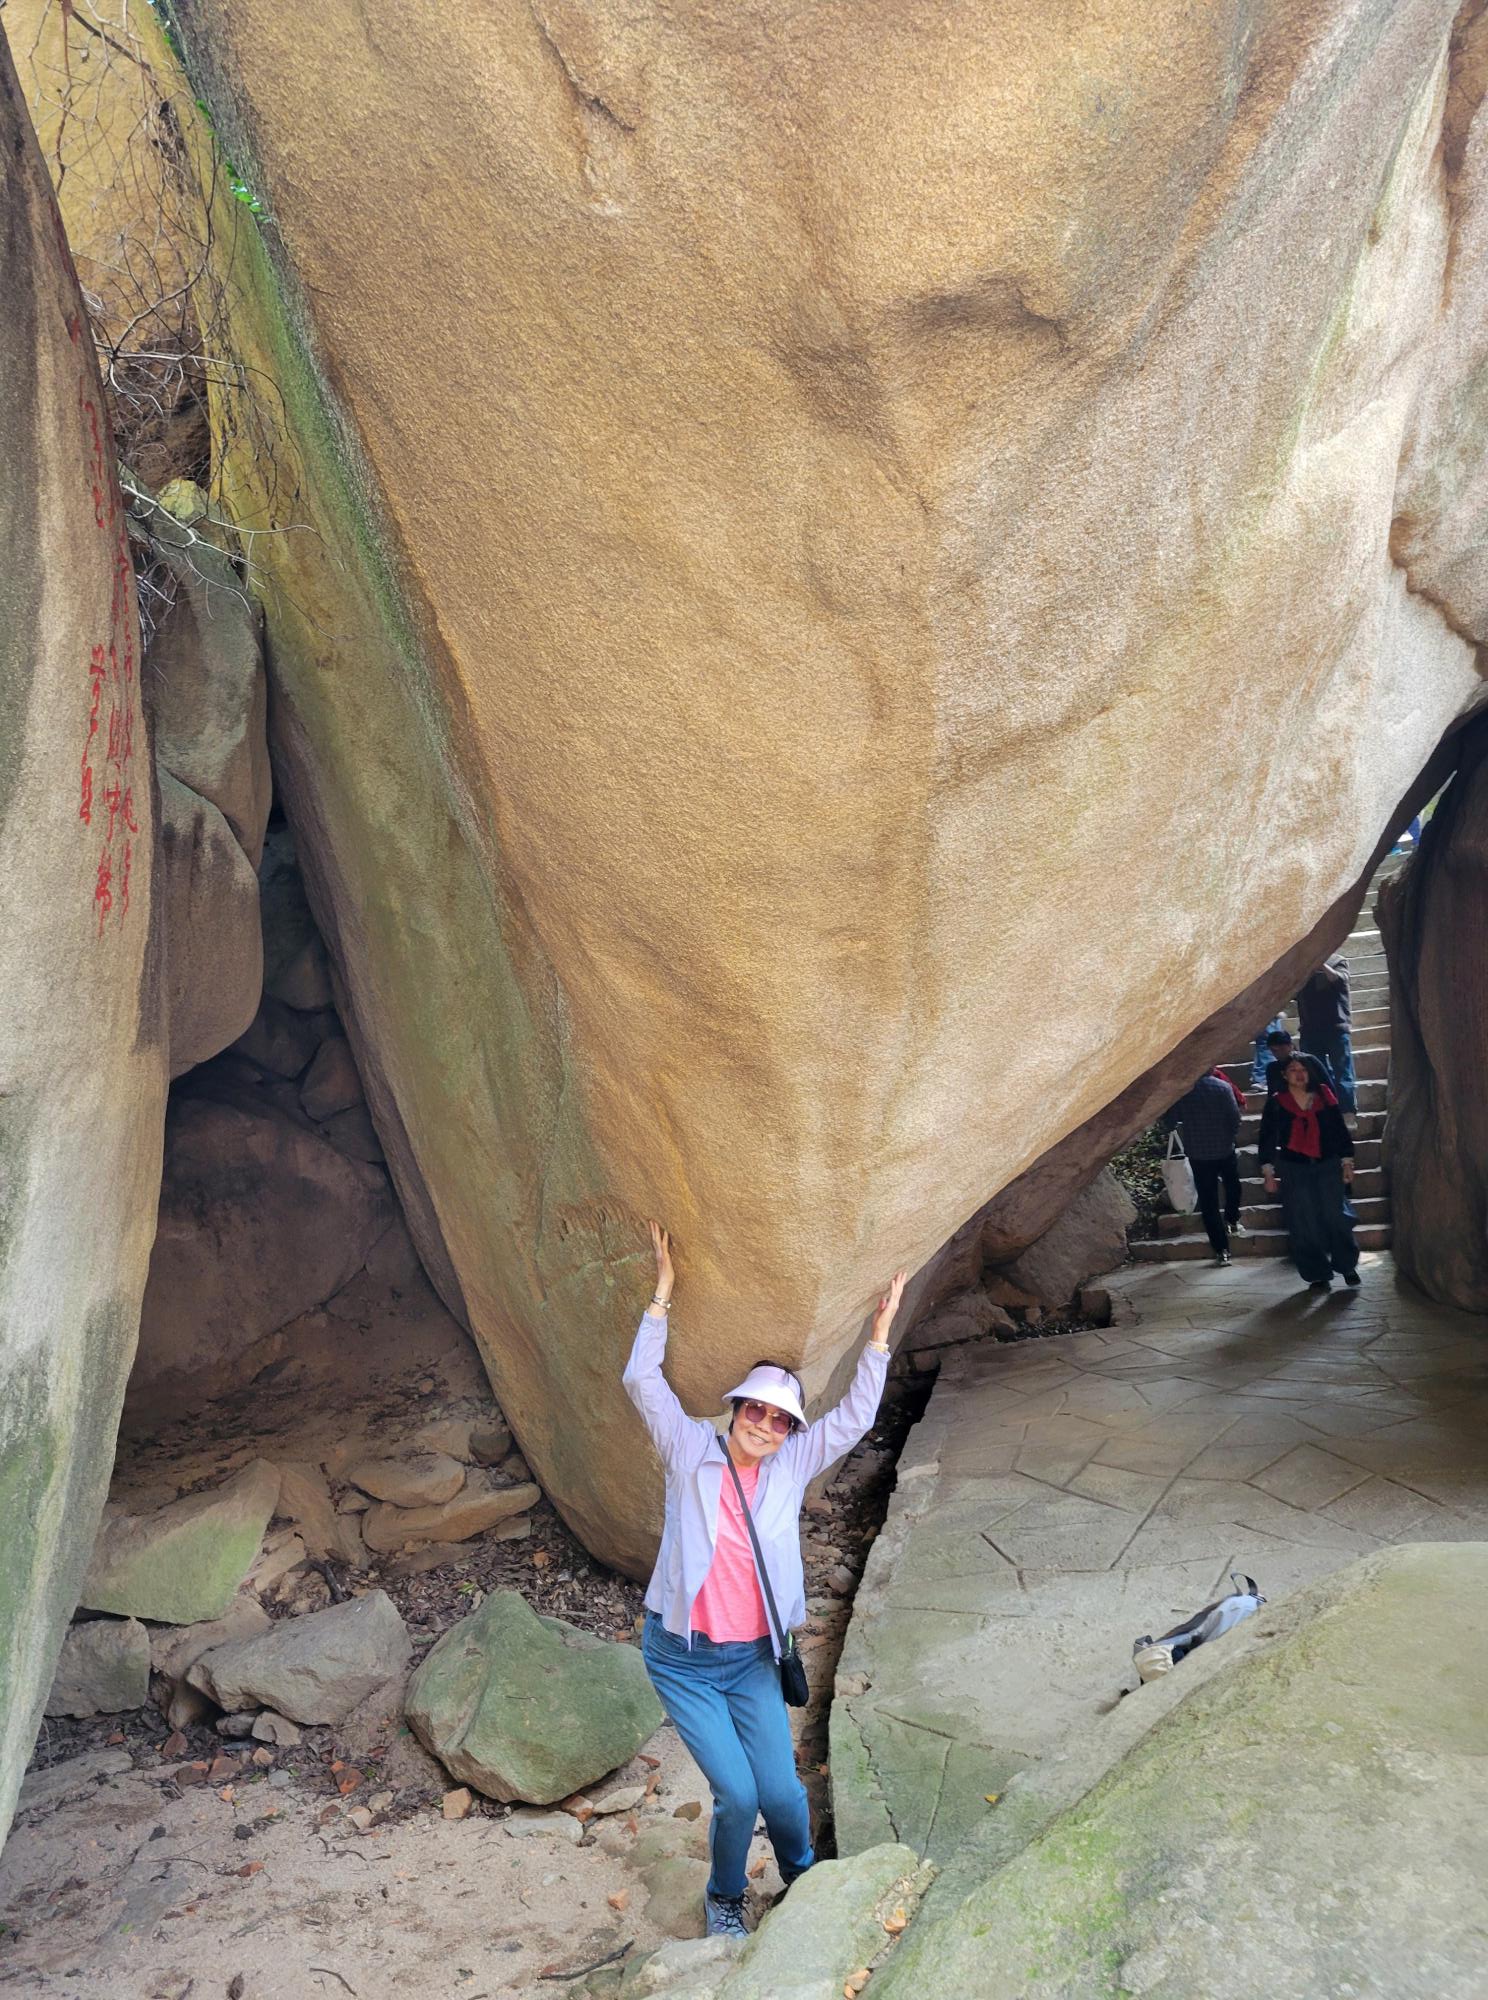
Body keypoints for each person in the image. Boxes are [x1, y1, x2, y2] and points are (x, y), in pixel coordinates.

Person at [624, 1221, 908, 1939]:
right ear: (736, 1407)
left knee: (782, 1794)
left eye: (780, 1420)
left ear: (788, 1432)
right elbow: (641, 1382)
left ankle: (803, 1877)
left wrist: (877, 1339)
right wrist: (662, 1295)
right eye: (755, 1409)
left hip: (753, 1658)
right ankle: (725, 1896)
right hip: (684, 1659)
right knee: (738, 1795)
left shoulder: (790, 1466)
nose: (764, 1425)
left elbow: (854, 1418)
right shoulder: (689, 1449)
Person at [1258, 1054, 1359, 1290]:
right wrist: (1268, 1172)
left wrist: (1347, 1162)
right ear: (1284, 1075)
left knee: (1336, 1215)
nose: (1299, 1074)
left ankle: (1347, 1265)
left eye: (1303, 1069)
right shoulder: (1277, 1102)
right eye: (1293, 1070)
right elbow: (1267, 1138)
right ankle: (1317, 1273)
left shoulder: (1324, 1095)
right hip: (1294, 1167)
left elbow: (1339, 1130)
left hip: (1327, 1163)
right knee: (1303, 1221)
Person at [1166, 1072, 1244, 1263]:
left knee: (1209, 1202)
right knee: (1233, 1186)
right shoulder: (1223, 1087)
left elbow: (1171, 1120)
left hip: (1198, 1154)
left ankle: (1221, 1250)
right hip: (1224, 1149)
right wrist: (1230, 1138)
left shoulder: (1184, 1091)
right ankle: (1232, 1219)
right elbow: (1235, 1117)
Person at [1296, 953, 1356, 1119]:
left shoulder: (1338, 961)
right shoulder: (1301, 965)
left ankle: (1347, 1112)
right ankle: (1326, 1111)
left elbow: (1340, 980)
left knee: (1343, 1073)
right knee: (1316, 1075)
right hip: (1310, 1030)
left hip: (1336, 1027)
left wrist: (1320, 964)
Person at [1249, 1014, 1289, 1091]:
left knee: (1265, 1044)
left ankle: (1259, 1077)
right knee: (1270, 1043)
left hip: (1260, 1016)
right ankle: (1262, 1079)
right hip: (1266, 1016)